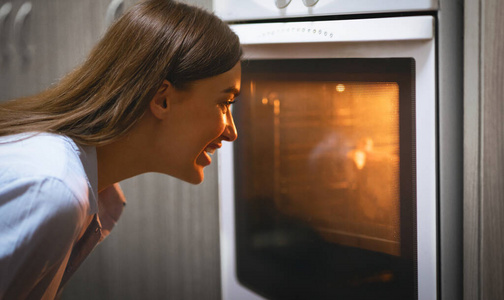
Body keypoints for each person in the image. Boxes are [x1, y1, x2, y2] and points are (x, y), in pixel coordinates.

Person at [0, 0, 242, 298]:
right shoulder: (54, 189)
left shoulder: (76, 181)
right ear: (162, 99)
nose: (231, 131)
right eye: (224, 102)